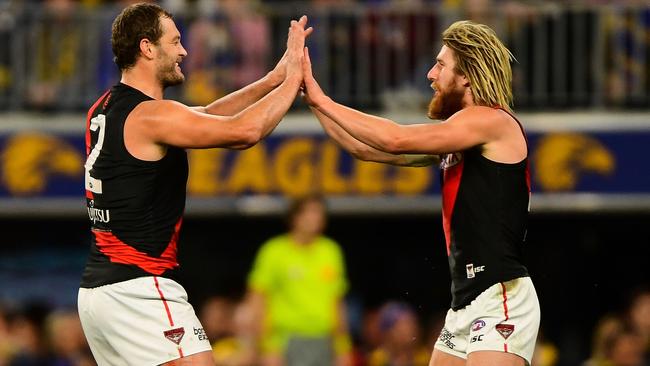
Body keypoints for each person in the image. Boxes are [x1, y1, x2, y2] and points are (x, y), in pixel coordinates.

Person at [77, 3, 311, 365]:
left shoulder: (104, 107)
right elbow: (245, 131)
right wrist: (296, 77)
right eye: (175, 41)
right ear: (147, 48)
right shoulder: (152, 115)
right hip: (140, 287)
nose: (184, 51)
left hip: (97, 295)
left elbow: (208, 115)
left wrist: (273, 79)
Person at [301, 20, 540, 366]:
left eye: (441, 65)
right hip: (466, 302)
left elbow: (394, 138)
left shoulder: (491, 121)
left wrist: (324, 98)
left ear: (467, 75)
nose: (430, 74)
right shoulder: (460, 133)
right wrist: (313, 100)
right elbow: (362, 149)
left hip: (501, 295)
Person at [244, 194, 352, 366]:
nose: (314, 218)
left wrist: (344, 347)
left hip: (324, 339)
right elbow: (257, 300)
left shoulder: (331, 251)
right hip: (284, 340)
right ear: (294, 217)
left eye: (319, 213)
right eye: (309, 212)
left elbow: (337, 301)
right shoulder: (274, 251)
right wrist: (265, 347)